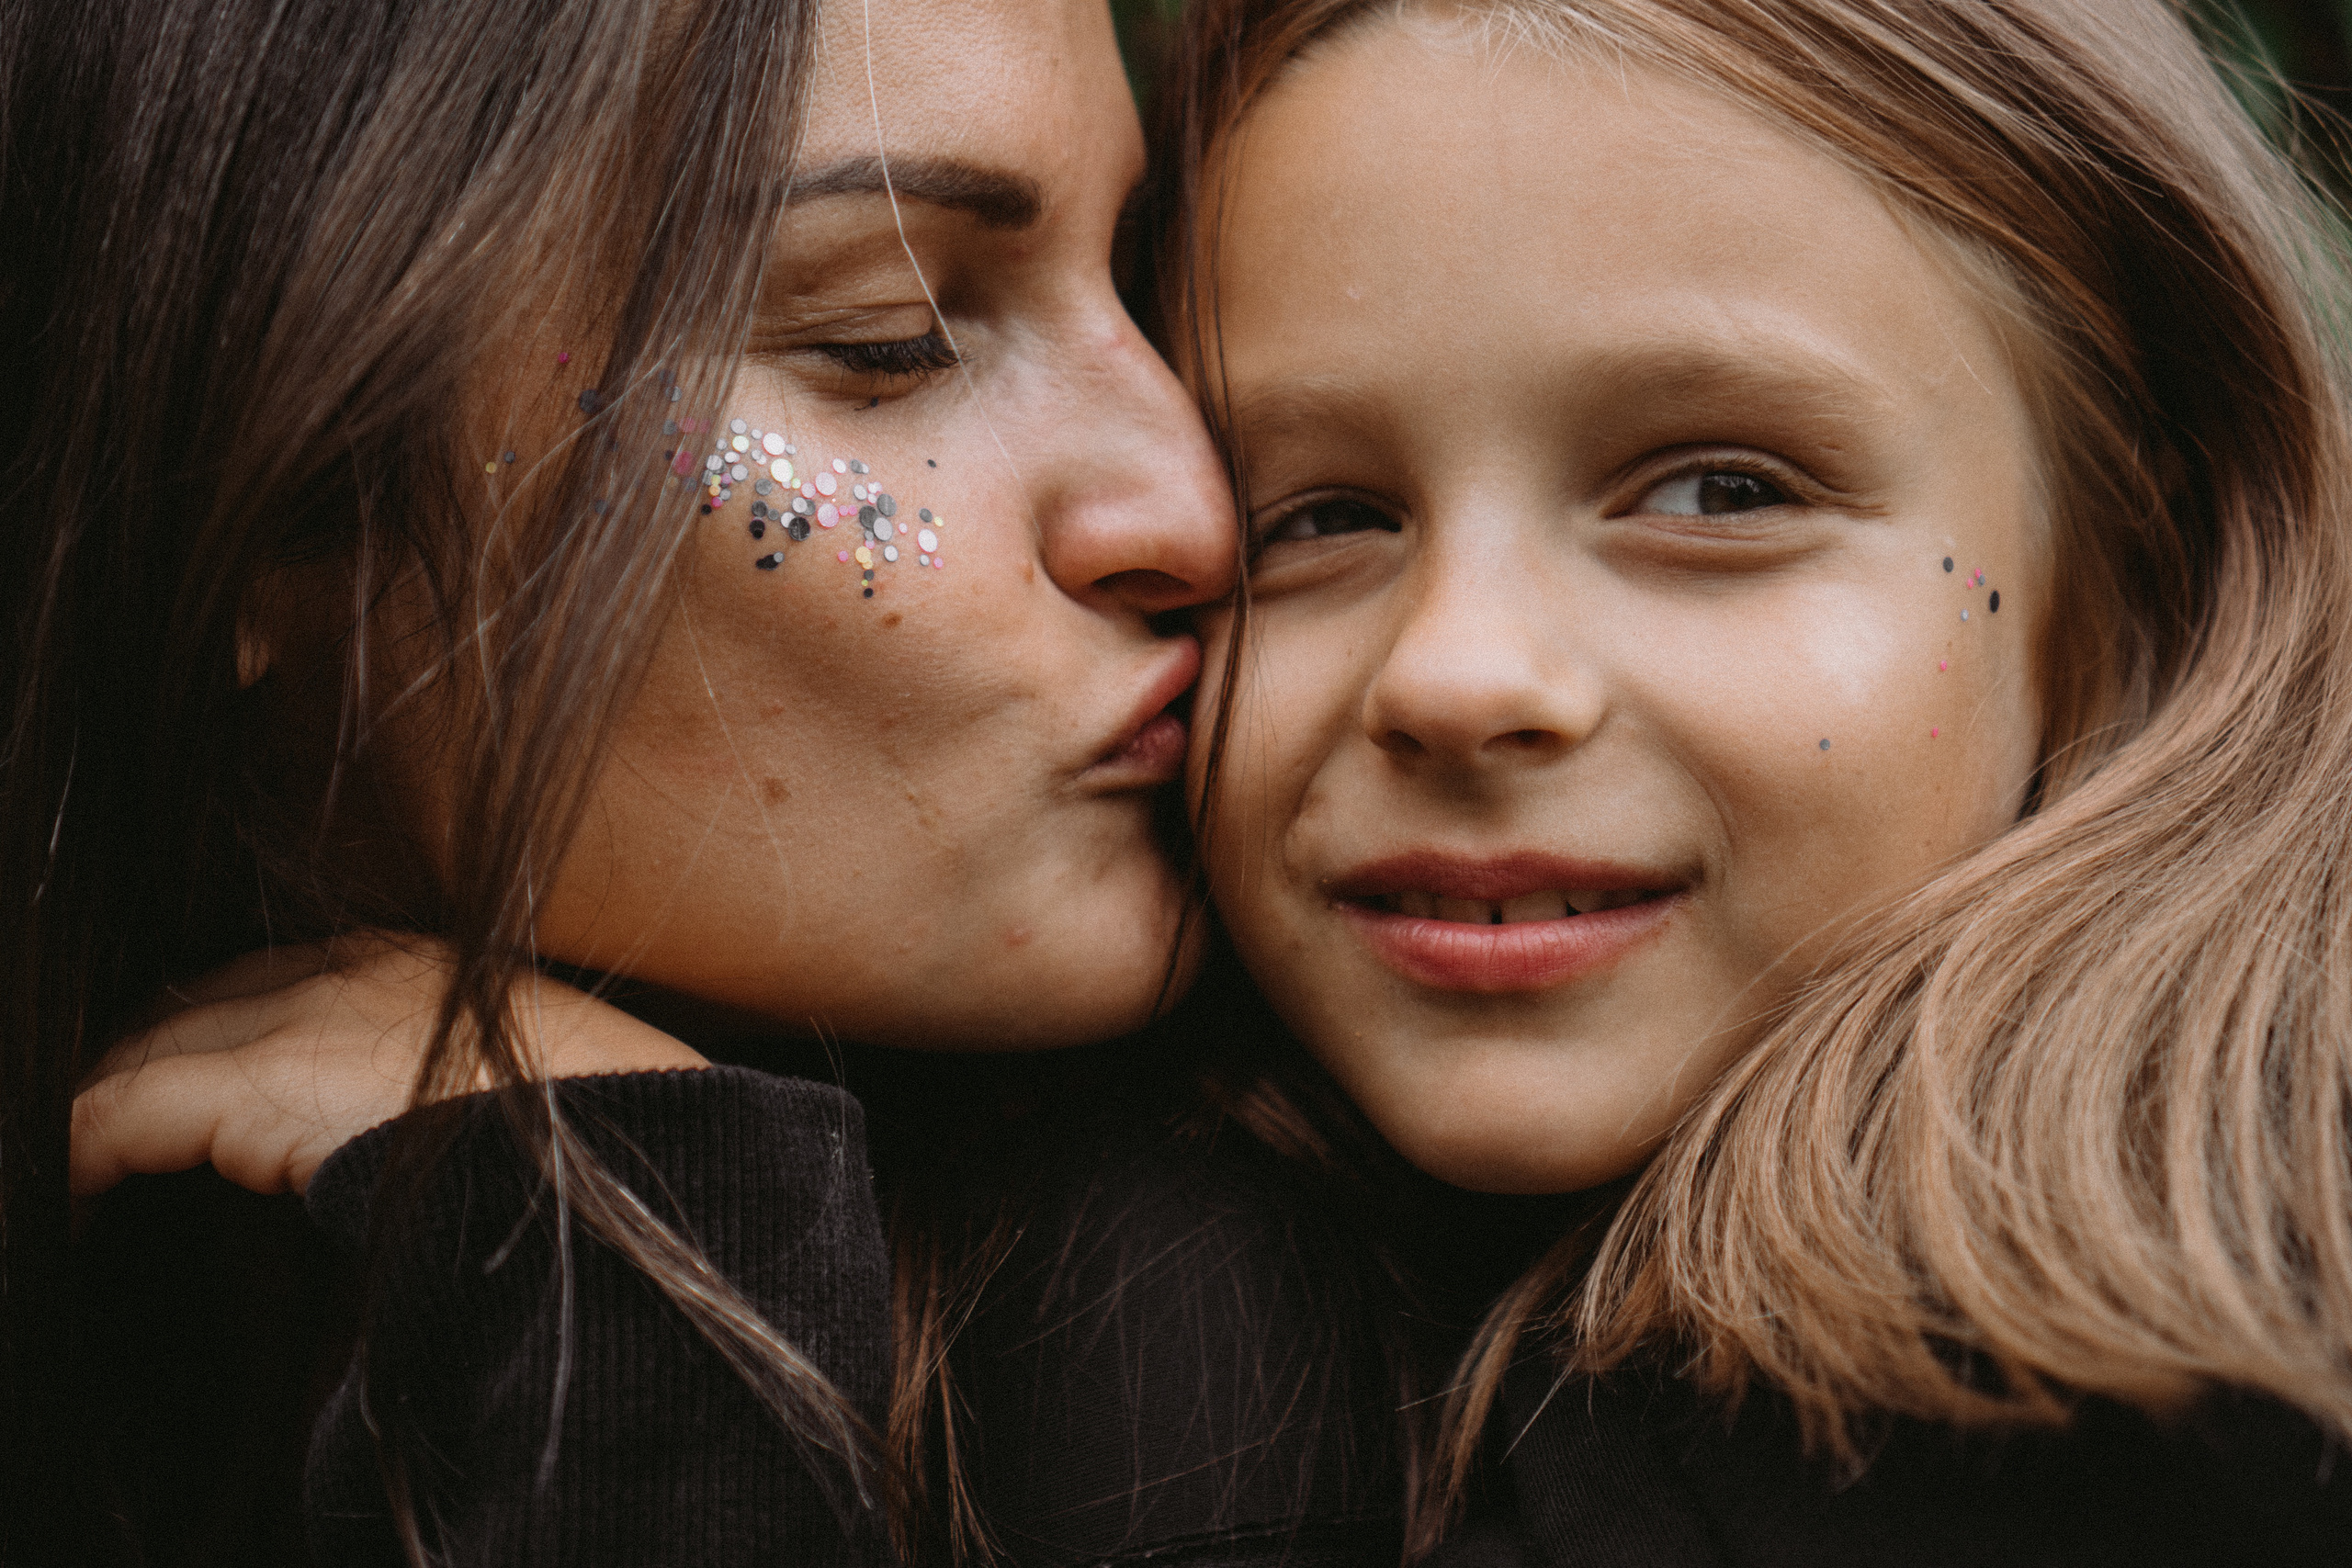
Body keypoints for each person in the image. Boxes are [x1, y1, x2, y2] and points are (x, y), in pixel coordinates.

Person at [4, 0, 1298, 1561]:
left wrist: (629, 1309)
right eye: (889, 337)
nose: (1195, 510)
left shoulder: (1193, 1360)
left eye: (1152, 289)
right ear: (254, 512)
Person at [1157, 0, 2352, 1561]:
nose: (1455, 676)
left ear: (2138, 569)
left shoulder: (2194, 1424)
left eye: (1720, 491)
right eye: (1315, 518)